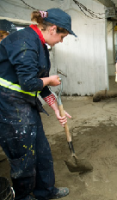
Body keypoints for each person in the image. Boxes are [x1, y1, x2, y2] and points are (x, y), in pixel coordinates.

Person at [0, 8, 76, 200]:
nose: (61, 41)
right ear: (53, 29)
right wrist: (50, 80)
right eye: (62, 36)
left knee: (41, 150)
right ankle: (25, 196)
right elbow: (28, 82)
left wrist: (56, 109)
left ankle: (45, 191)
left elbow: (39, 81)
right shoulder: (24, 42)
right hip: (10, 105)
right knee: (24, 156)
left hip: (25, 102)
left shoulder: (40, 44)